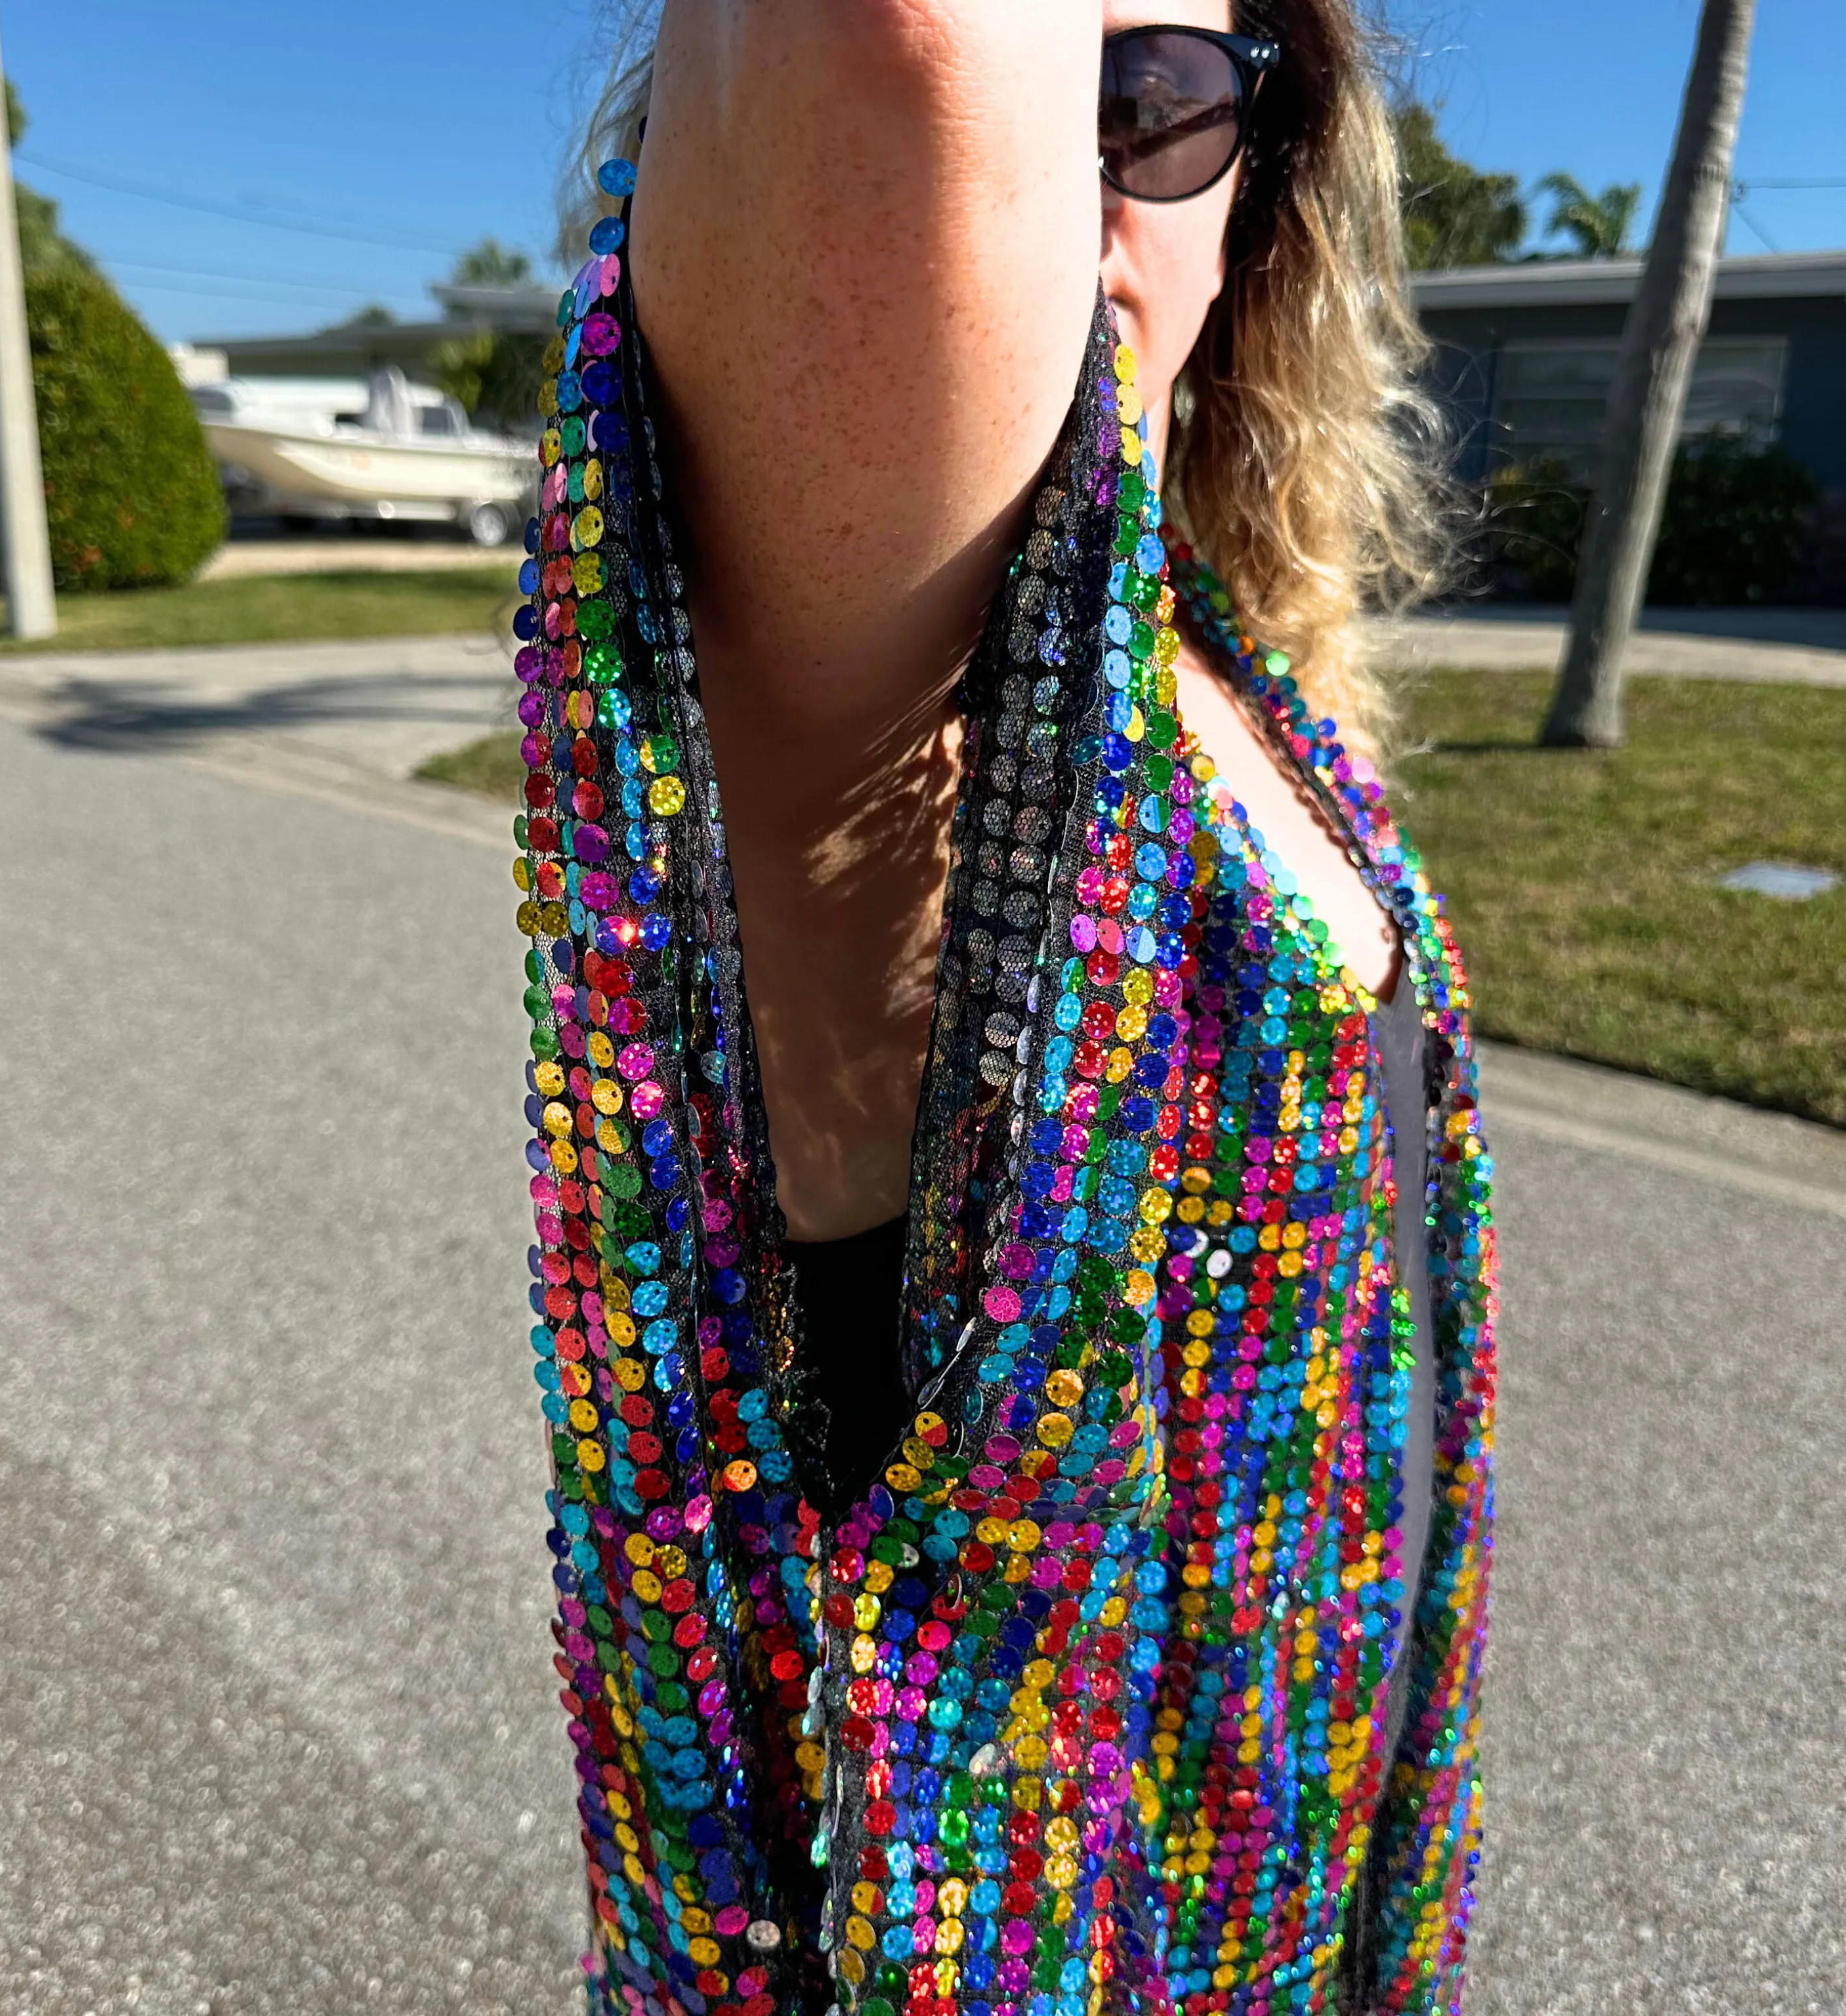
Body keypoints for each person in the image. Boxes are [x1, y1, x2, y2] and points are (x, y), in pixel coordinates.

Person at [514, 5, 1497, 2012]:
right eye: (1060, 84)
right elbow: (916, 47)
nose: (1079, 178)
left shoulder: (1220, 661)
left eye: (1155, 110)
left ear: (1270, 177)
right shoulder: (895, 681)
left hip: (1321, 1906)